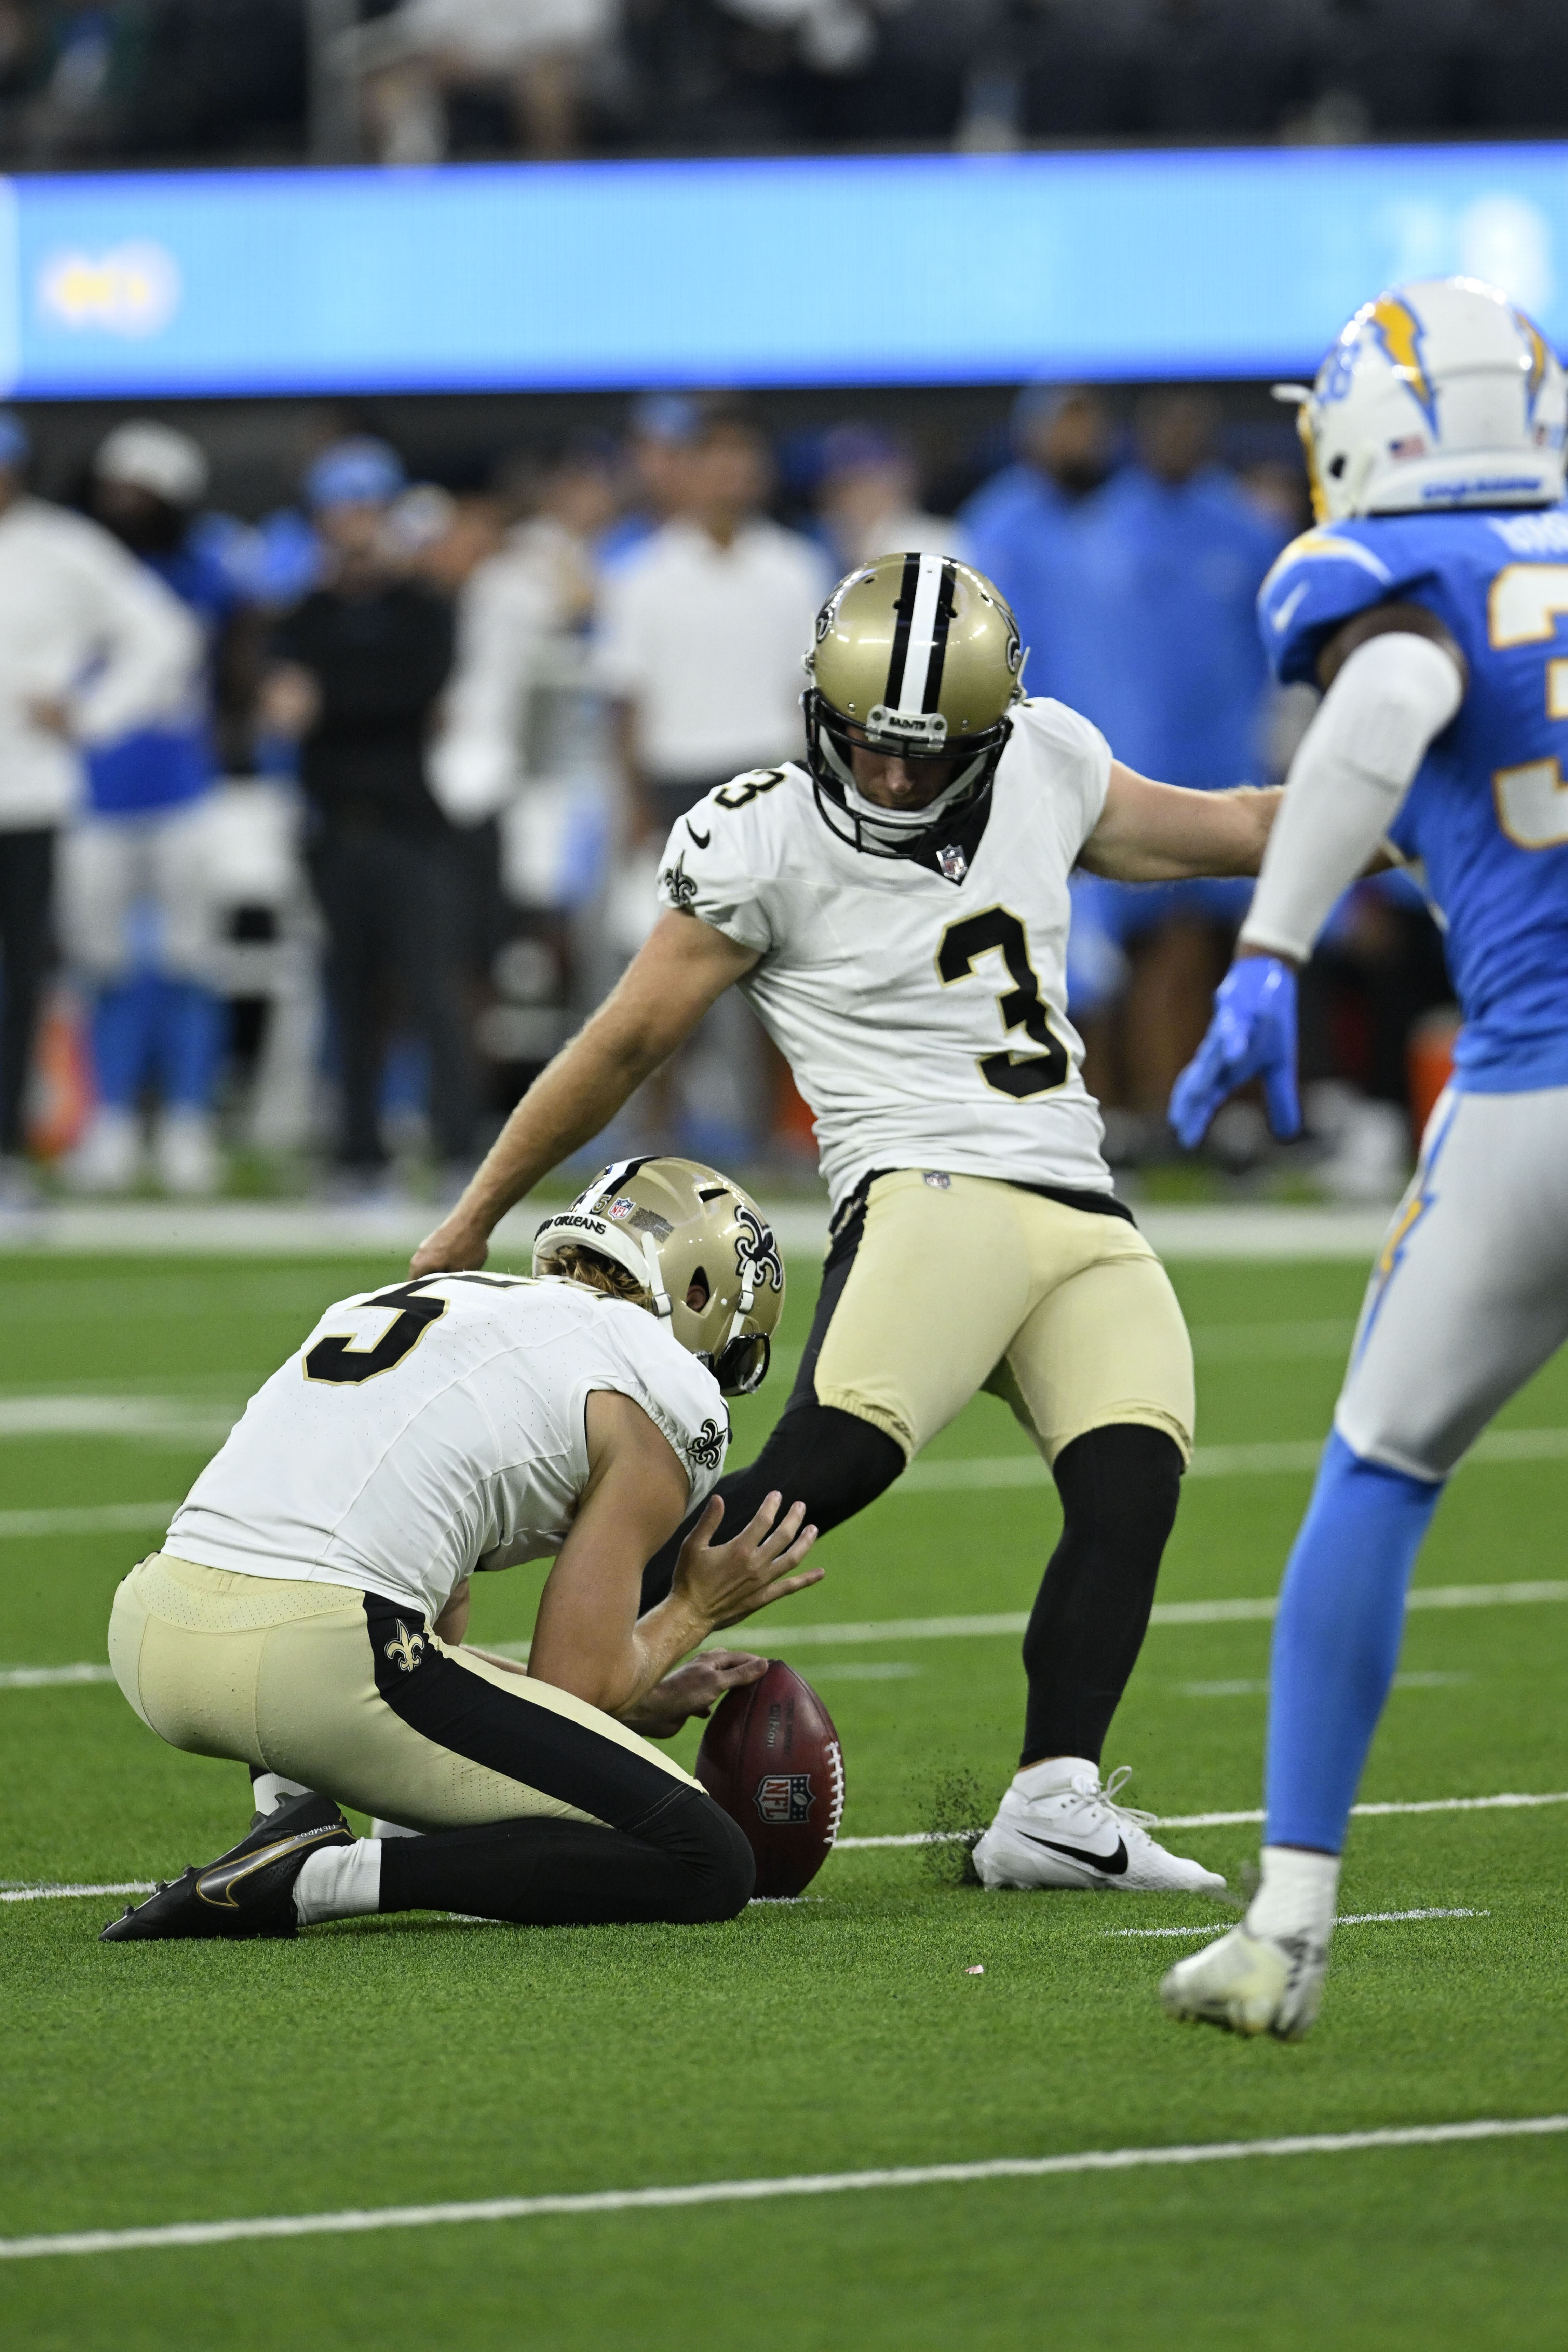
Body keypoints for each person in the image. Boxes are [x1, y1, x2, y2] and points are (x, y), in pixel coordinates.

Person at [414, 551, 1286, 1895]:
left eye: (923, 752)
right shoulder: (761, 832)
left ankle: (1053, 1800)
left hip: (1079, 1197)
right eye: (870, 743)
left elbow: (1232, 827)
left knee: (1129, 1483)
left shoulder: (1045, 762)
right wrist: (477, 1206)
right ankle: (535, 1724)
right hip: (930, 1187)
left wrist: (1425, 813)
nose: (887, 776)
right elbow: (625, 1037)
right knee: (825, 1469)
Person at [1160, 278, 1568, 2039]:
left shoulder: (1395, 587)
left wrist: (1265, 952)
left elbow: (1390, 698)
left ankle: (1287, 1921)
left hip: (1535, 1098)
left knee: (1380, 1463)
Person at [100, 1158, 812, 1942]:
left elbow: (428, 1636)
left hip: (151, 1632)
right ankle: (315, 1878)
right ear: (702, 1294)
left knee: (406, 1618)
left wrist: (631, 1702)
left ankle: (288, 1817)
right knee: (708, 1859)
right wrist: (690, 1610)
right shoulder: (658, 1383)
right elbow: (570, 1686)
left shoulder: (427, 1301)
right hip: (314, 1665)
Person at [262, 437, 473, 1192]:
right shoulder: (308, 612)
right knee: (348, 992)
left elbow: (406, 694)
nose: (355, 524)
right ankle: (356, 1153)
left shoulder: (420, 609)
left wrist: (325, 703)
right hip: (333, 823)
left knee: (430, 987)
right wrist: (324, 705)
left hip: (407, 822)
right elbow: (282, 705)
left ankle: (458, 1147)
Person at [0, 410, 197, 1209]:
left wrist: (93, 715)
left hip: (31, 795)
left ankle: (7, 1157)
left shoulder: (63, 548)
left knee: (23, 982)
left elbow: (162, 633)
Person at [62, 420, 257, 1197]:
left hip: (182, 789)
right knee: (102, 967)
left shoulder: (209, 574)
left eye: (141, 493)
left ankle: (186, 1121)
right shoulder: (77, 570)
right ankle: (106, 1121)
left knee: (188, 963)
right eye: (117, 490)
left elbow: (241, 665)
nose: (125, 506)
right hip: (94, 790)